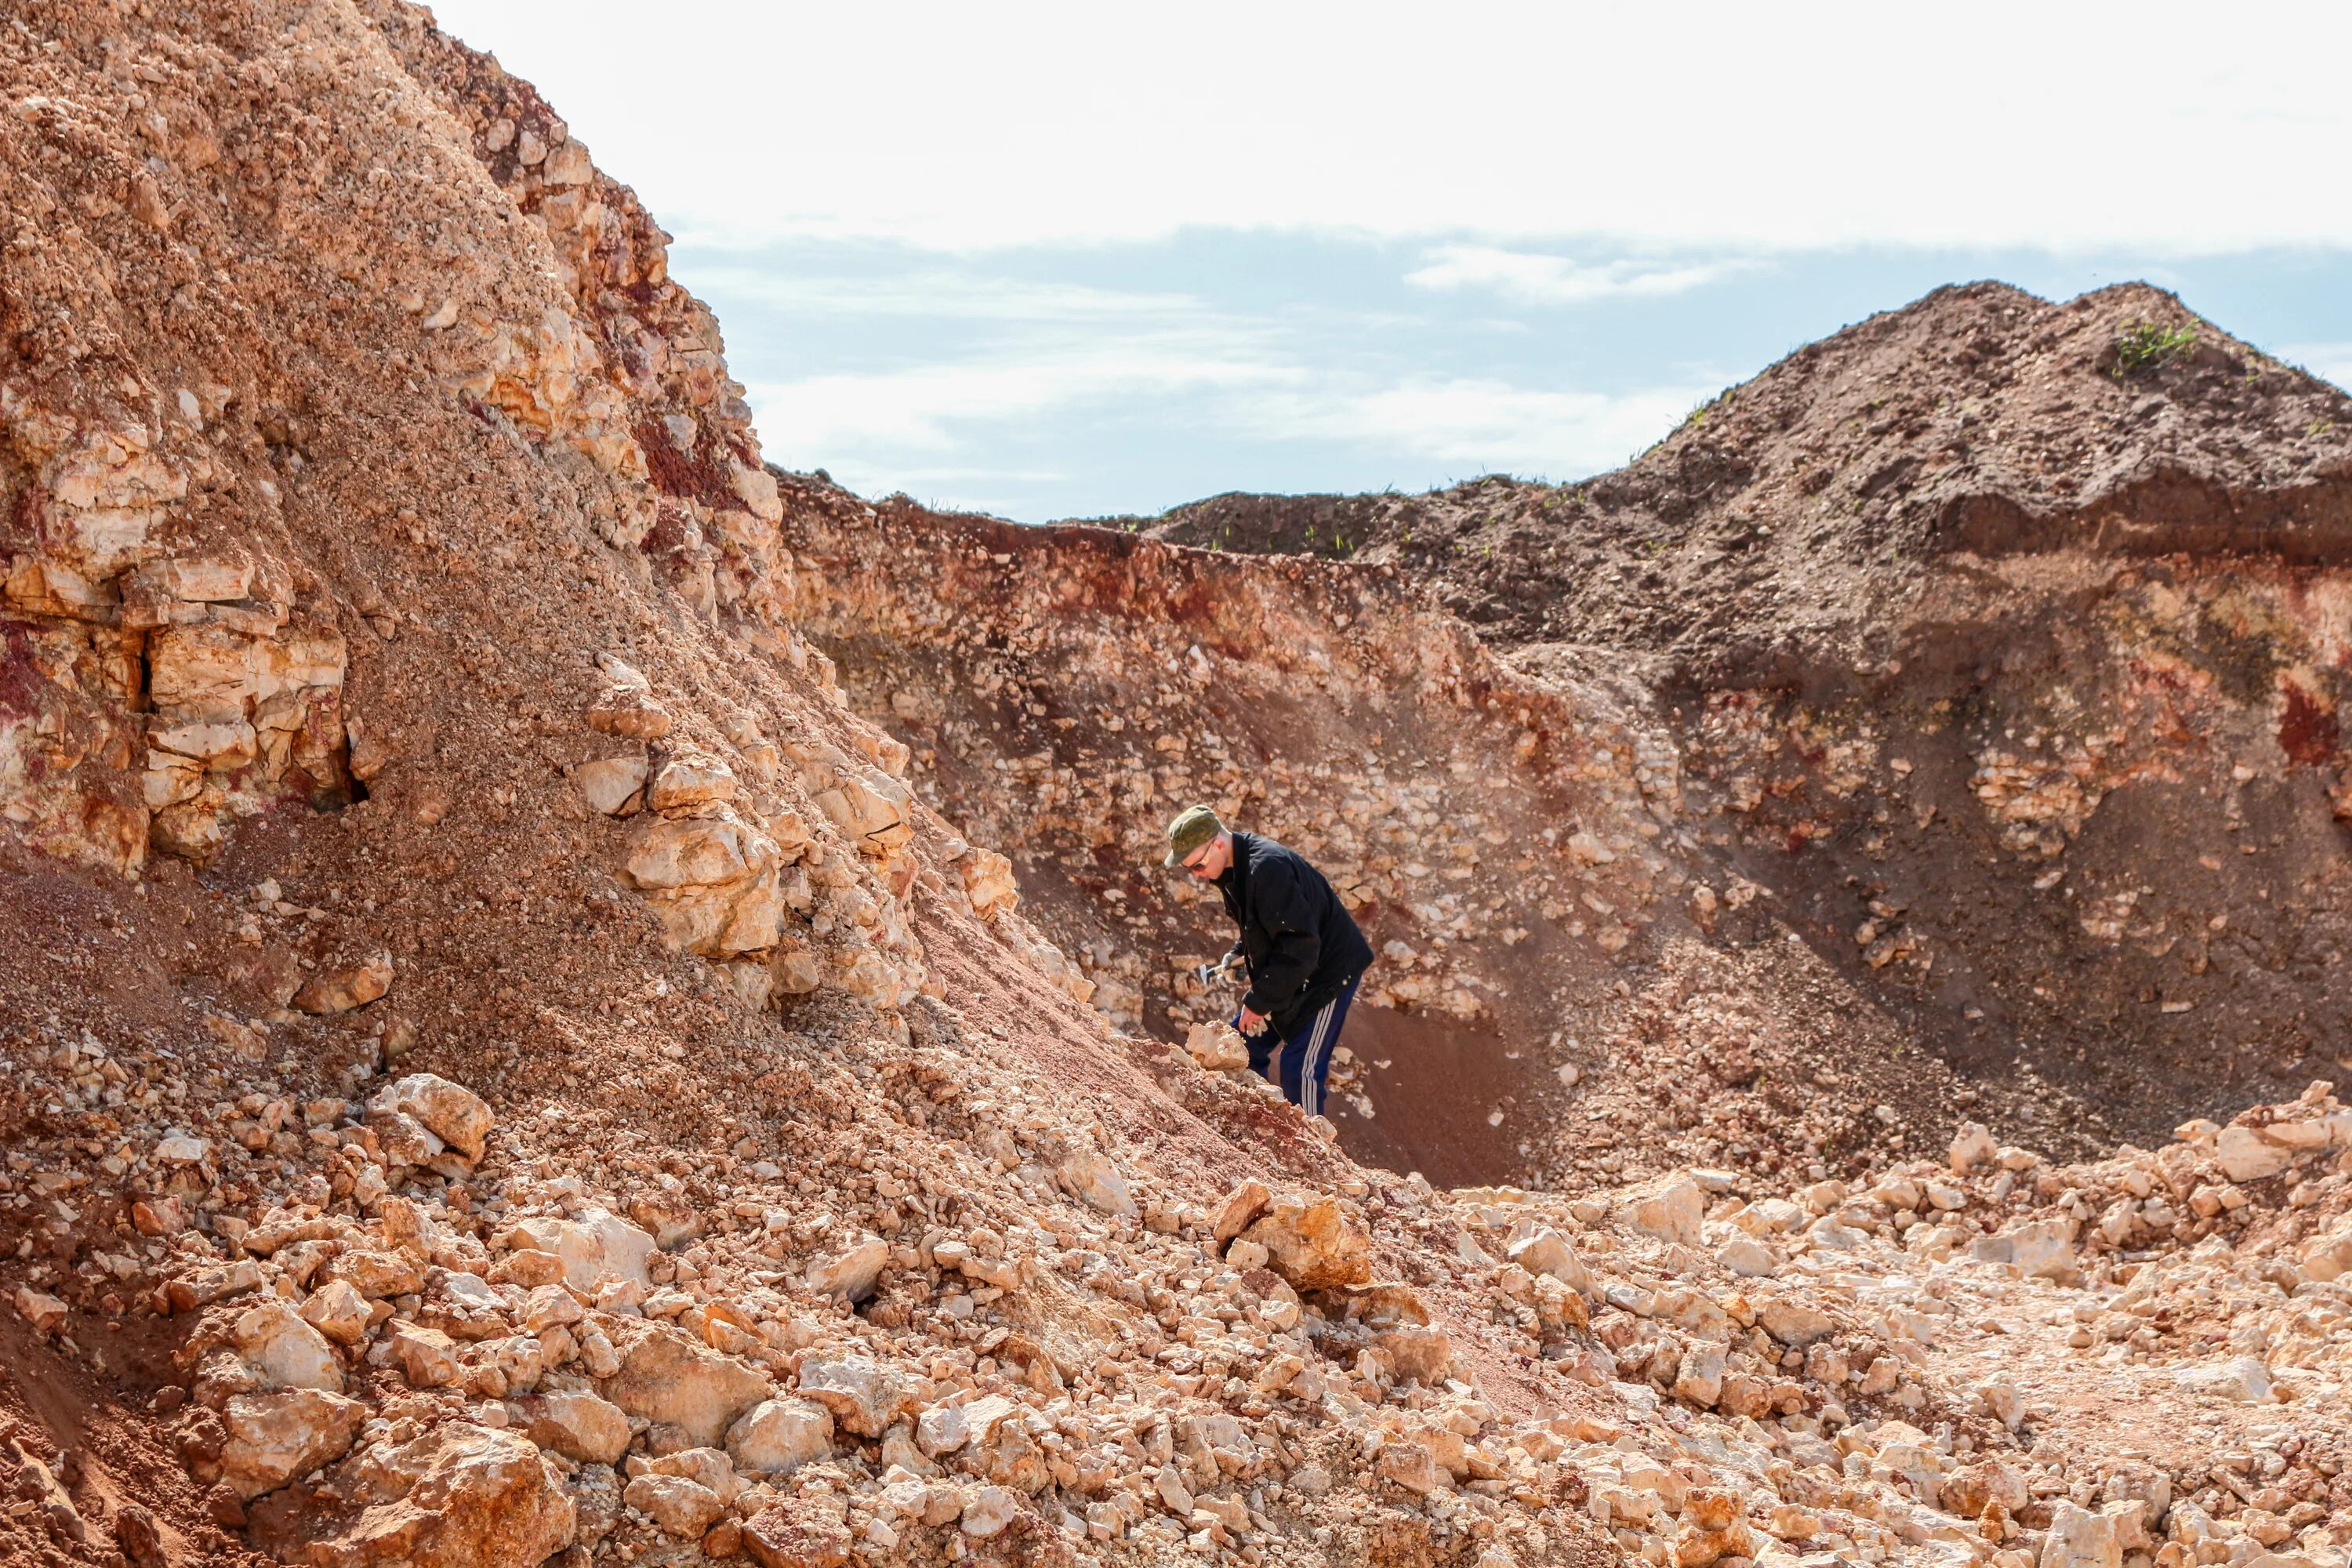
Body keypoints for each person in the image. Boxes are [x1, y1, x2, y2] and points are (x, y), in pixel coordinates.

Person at [1165, 804, 1374, 1120]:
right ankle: (1256, 1128)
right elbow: (1262, 923)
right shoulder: (1230, 871)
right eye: (1188, 869)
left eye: (1197, 865)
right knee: (1239, 1046)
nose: (1196, 875)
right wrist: (1241, 952)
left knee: (1299, 1066)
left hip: (1328, 973)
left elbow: (1301, 945)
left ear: (1218, 844)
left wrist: (1260, 1000)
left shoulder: (1267, 868)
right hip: (1292, 968)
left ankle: (1315, 1155)